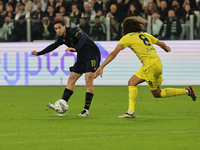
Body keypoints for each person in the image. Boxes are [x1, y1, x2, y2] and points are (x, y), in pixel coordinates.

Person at [94, 16, 196, 118]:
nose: (122, 29)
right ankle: (130, 112)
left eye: (123, 27)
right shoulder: (144, 34)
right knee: (132, 82)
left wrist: (101, 66)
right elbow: (161, 43)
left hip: (150, 66)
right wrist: (166, 49)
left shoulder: (127, 38)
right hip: (154, 63)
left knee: (157, 94)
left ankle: (186, 91)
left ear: (126, 28)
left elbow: (113, 54)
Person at [31, 18, 101, 117]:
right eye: (56, 29)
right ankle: (62, 103)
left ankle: (86, 110)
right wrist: (39, 53)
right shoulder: (61, 38)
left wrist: (75, 48)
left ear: (64, 26)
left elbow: (83, 39)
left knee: (88, 79)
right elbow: (53, 46)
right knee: (71, 78)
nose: (58, 30)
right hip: (81, 56)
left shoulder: (75, 30)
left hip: (92, 54)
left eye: (59, 27)